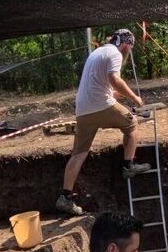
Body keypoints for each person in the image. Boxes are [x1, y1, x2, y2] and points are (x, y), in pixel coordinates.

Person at [56, 29, 149, 216]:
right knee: (131, 124)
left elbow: (100, 84)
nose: (127, 52)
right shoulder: (115, 53)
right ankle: (128, 165)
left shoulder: (97, 52)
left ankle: (65, 197)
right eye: (129, 49)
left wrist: (116, 95)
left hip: (83, 109)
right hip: (100, 106)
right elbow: (114, 79)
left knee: (79, 153)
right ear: (125, 44)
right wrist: (134, 98)